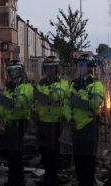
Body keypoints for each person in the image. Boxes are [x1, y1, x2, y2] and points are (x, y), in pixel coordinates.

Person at [34, 56, 71, 186]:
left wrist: (46, 99)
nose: (50, 70)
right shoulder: (40, 84)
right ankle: (47, 178)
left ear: (57, 69)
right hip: (42, 122)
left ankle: (53, 179)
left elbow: (55, 98)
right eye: (47, 68)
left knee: (54, 152)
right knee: (44, 152)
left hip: (56, 123)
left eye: (52, 68)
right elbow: (37, 99)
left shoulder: (63, 84)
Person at [0, 60, 33, 186]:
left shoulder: (26, 85)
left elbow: (22, 104)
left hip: (20, 122)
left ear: (20, 71)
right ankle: (12, 179)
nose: (12, 73)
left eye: (15, 70)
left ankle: (19, 179)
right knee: (10, 153)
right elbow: (3, 105)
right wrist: (1, 117)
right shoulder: (9, 86)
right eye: (10, 71)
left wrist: (7, 101)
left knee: (16, 153)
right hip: (8, 122)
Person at [71, 53, 104, 186]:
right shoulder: (73, 83)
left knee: (88, 159)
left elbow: (95, 103)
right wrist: (69, 117)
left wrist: (79, 99)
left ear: (89, 67)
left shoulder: (96, 84)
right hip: (75, 125)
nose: (80, 67)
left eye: (83, 65)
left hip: (89, 125)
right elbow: (67, 103)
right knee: (78, 158)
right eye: (79, 65)